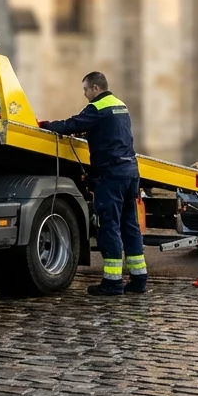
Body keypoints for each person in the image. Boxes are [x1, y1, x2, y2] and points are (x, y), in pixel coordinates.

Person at [39, 72, 145, 296]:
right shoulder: (120, 105)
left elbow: (71, 124)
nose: (85, 95)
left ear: (95, 88)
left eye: (86, 90)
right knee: (130, 225)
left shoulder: (97, 107)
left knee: (109, 226)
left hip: (111, 175)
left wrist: (47, 125)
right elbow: (110, 133)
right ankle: (138, 279)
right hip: (130, 172)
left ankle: (113, 282)